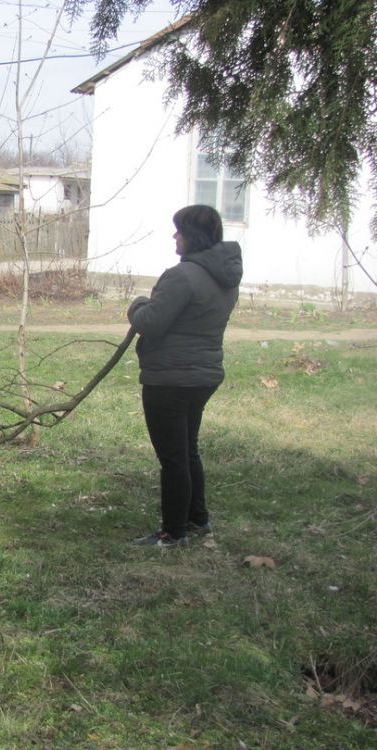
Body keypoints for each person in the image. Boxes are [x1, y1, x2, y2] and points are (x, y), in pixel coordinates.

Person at [126, 204, 243, 547]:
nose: (174, 236)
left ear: (192, 236)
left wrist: (136, 303)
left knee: (174, 457)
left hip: (170, 379)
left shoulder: (182, 276)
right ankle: (197, 519)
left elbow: (150, 322)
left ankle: (173, 532)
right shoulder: (225, 277)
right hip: (203, 375)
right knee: (187, 450)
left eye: (178, 230)